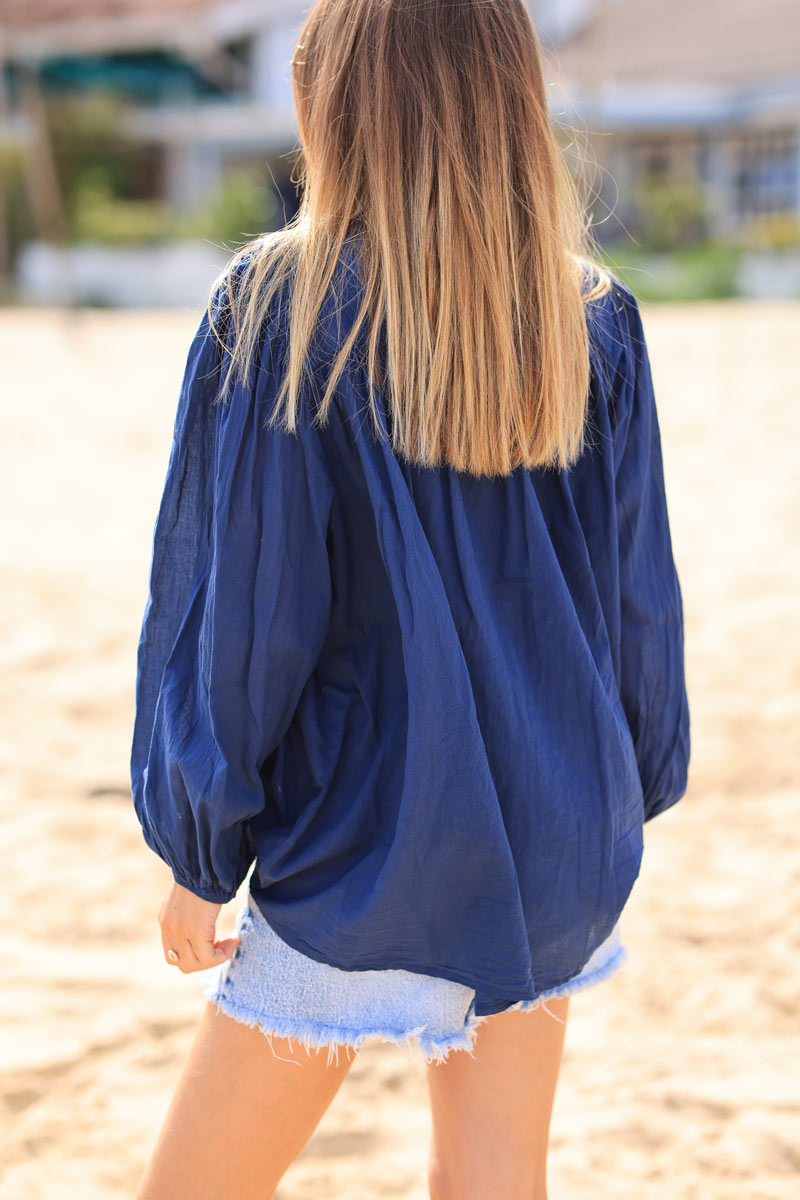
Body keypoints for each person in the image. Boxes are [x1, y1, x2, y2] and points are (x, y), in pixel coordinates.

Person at [129, 1, 690, 1197]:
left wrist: (197, 846)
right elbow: (633, 596)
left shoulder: (277, 306)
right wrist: (618, 787)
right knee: (493, 1184)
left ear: (336, 100)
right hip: (553, 832)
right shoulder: (588, 313)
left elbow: (246, 620)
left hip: (364, 843)